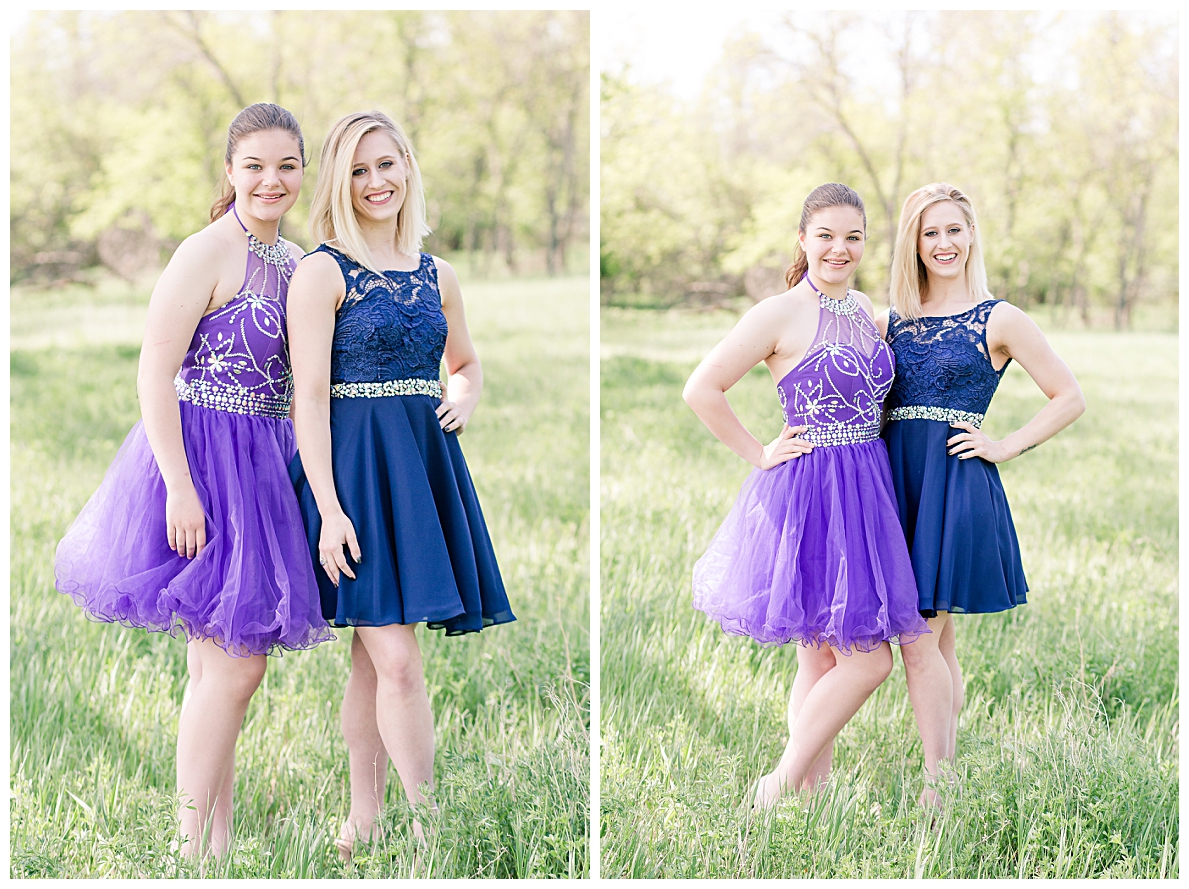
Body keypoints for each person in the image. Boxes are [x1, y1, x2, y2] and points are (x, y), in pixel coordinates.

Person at [54, 103, 332, 857]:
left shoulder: (295, 259)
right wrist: (179, 483)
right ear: (230, 172)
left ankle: (213, 843)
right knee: (237, 667)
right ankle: (187, 844)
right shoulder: (205, 251)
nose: (270, 180)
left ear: (302, 171)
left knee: (219, 665)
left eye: (285, 165)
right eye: (254, 165)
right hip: (199, 460)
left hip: (262, 465)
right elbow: (154, 368)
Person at [287, 110, 515, 858]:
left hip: (418, 472)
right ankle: (432, 826)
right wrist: (326, 509)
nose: (375, 181)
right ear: (337, 181)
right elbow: (309, 397)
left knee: (374, 658)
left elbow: (468, 362)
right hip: (352, 477)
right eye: (358, 169)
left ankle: (364, 822)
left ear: (408, 167)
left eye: (386, 164)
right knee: (397, 660)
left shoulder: (436, 273)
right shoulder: (322, 271)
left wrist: (467, 395)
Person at [684, 183, 928, 809]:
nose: (839, 249)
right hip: (811, 485)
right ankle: (780, 782)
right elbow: (702, 388)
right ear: (802, 240)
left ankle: (807, 800)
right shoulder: (779, 312)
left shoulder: (865, 308)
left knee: (819, 656)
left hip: (866, 484)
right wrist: (758, 451)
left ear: (865, 243)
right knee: (869, 661)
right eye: (825, 236)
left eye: (852, 237)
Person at [881, 182, 1085, 808]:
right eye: (930, 232)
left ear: (971, 236)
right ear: (913, 242)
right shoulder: (892, 318)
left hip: (952, 483)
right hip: (893, 481)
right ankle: (946, 755)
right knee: (937, 640)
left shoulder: (998, 318)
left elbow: (1069, 397)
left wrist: (1006, 444)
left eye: (953, 230)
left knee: (919, 636)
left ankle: (937, 785)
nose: (943, 244)